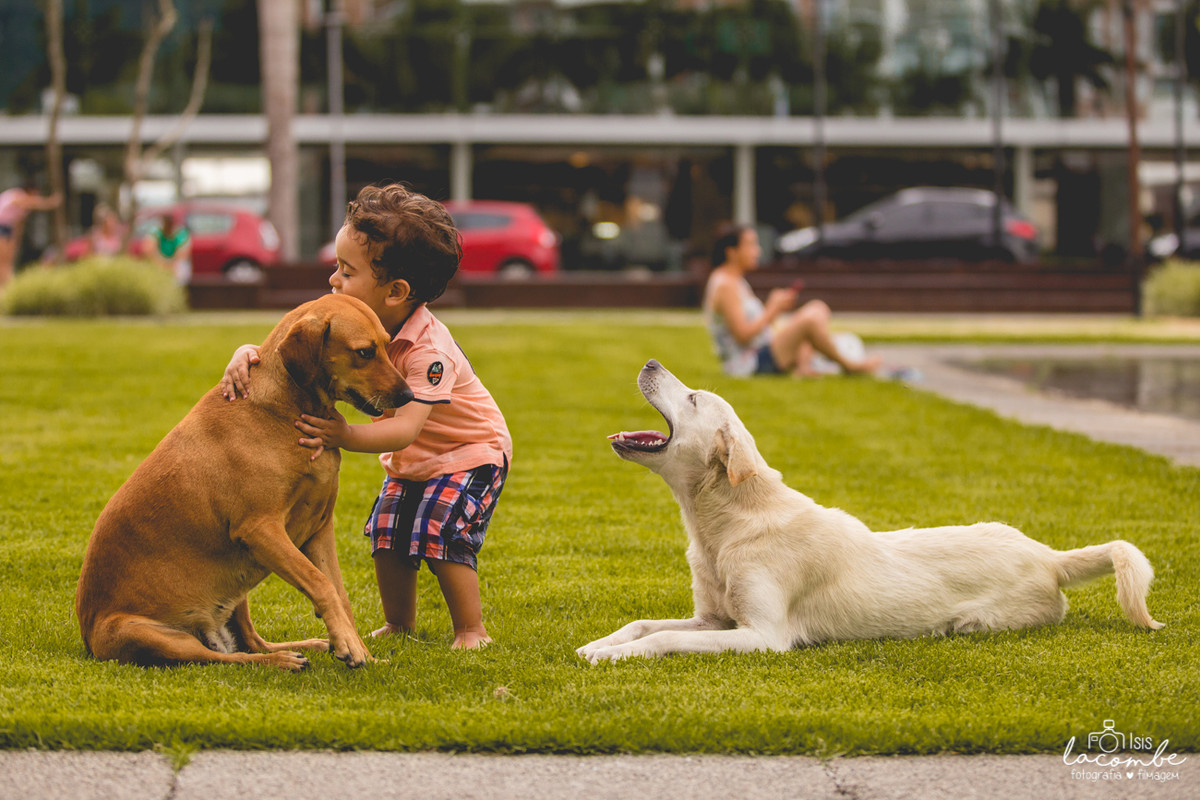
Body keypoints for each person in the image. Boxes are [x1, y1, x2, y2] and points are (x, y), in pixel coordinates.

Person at [220, 184, 511, 651]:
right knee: (388, 530)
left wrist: (343, 434)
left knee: (441, 529)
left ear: (395, 291)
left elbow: (405, 428)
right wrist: (245, 353)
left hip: (469, 453)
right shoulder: (349, 318)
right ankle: (399, 622)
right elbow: (292, 345)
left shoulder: (429, 352)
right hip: (415, 460)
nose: (334, 280)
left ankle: (471, 629)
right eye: (337, 267)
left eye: (346, 270)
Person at [703, 225, 881, 378]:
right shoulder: (726, 285)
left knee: (817, 309)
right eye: (751, 245)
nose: (758, 251)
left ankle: (804, 366)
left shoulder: (734, 280)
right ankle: (849, 366)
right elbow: (742, 336)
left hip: (762, 351)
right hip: (749, 364)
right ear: (731, 252)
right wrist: (772, 310)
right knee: (811, 318)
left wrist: (774, 308)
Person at [0, 181, 61, 288]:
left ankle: (7, 281)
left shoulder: (24, 207)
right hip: (2, 225)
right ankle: (4, 282)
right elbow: (31, 202)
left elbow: (18, 225)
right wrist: (50, 202)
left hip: (8, 228)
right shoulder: (18, 195)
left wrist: (15, 241)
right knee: (3, 259)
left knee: (9, 259)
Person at [144, 213, 191, 284]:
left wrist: (170, 265)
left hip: (175, 264)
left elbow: (183, 254)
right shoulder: (156, 231)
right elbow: (147, 249)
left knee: (180, 268)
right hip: (159, 262)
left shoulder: (181, 233)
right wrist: (160, 263)